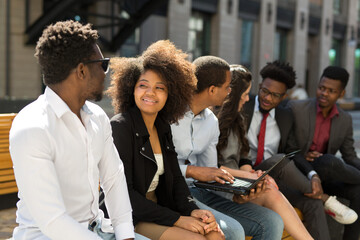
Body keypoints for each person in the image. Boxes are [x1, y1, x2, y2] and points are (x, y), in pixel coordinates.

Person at [9, 20, 140, 240]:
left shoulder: (98, 117)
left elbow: (114, 179)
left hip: (97, 229)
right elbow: (53, 220)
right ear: (81, 70)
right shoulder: (33, 127)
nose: (105, 73)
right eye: (103, 64)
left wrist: (126, 235)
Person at [107, 40, 224, 240]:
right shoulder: (120, 127)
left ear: (171, 94)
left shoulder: (163, 127)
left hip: (160, 210)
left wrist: (193, 210)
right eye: (143, 85)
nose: (150, 93)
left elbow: (177, 179)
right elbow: (125, 195)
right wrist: (178, 220)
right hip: (130, 217)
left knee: (214, 234)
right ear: (131, 88)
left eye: (159, 88)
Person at [171, 56, 284, 240]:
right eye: (227, 87)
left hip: (201, 191)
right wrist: (192, 171)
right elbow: (158, 167)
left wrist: (237, 195)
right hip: (174, 192)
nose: (231, 91)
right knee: (233, 231)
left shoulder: (211, 122)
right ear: (212, 89)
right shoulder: (170, 115)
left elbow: (210, 174)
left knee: (272, 222)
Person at [242, 60, 356, 240]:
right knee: (278, 159)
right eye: (265, 91)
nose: (268, 98)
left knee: (312, 202)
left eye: (275, 95)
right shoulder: (243, 107)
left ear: (284, 97)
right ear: (260, 85)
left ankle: (320, 200)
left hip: (275, 178)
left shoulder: (285, 115)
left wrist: (313, 175)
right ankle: (325, 198)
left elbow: (293, 151)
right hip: (246, 173)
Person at [215, 64, 313, 240]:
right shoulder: (214, 121)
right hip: (219, 184)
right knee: (271, 193)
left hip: (237, 181)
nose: (248, 99)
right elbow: (210, 168)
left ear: (284, 96)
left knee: (270, 187)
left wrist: (253, 176)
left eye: (275, 95)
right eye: (245, 95)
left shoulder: (239, 120)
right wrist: (250, 178)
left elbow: (244, 158)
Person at [288, 66, 360, 240]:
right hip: (301, 171)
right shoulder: (297, 109)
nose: (324, 93)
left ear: (341, 94)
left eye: (331, 91)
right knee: (330, 161)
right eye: (321, 88)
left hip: (327, 177)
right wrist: (304, 157)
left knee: (358, 191)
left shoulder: (344, 119)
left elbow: (349, 156)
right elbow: (287, 148)